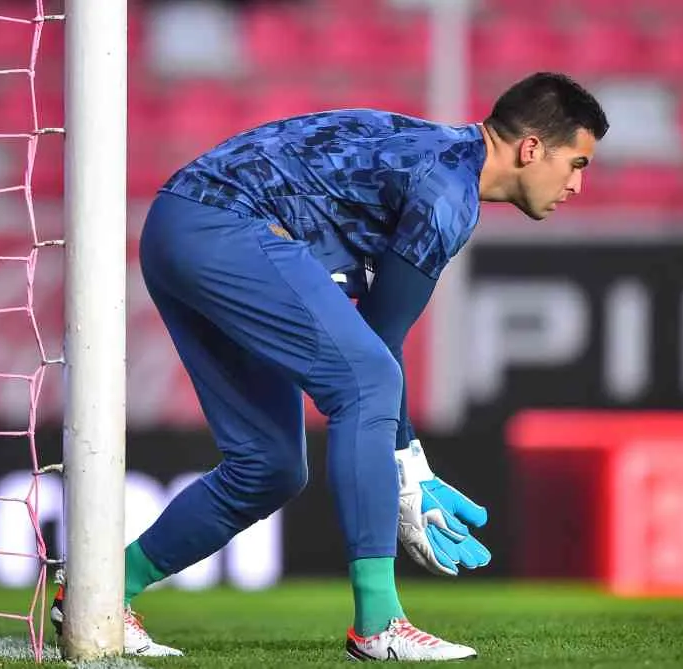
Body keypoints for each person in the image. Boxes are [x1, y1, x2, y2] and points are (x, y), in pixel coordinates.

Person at [51, 71, 608, 661]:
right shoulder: (449, 193)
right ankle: (379, 625)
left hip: (178, 225)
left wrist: (408, 462)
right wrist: (406, 471)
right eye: (576, 164)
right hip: (223, 225)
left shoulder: (437, 159)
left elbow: (376, 334)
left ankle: (101, 592)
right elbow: (380, 345)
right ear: (530, 149)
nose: (577, 184)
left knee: (269, 467)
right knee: (367, 381)